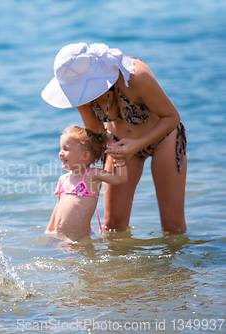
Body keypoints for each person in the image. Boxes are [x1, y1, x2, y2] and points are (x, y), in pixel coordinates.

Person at [42, 42, 187, 233]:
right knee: (113, 226)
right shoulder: (79, 92)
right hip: (119, 144)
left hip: (164, 138)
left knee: (172, 226)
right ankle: (120, 264)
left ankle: (177, 263)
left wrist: (136, 146)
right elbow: (95, 129)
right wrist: (110, 145)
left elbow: (172, 117)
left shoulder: (136, 76)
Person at [45, 126, 127, 238]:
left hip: (80, 239)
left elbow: (119, 179)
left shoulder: (92, 175)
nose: (61, 153)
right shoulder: (63, 179)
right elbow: (58, 206)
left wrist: (120, 161)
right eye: (61, 148)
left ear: (85, 155)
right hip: (60, 236)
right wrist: (49, 230)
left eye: (66, 149)